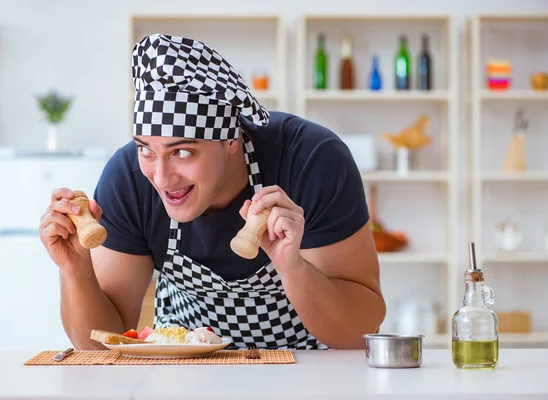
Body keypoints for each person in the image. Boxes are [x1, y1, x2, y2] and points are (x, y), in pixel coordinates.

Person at [39, 33, 385, 351]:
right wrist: (75, 271)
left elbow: (360, 331)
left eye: (183, 152)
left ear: (232, 140)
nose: (161, 177)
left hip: (308, 368)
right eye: (147, 149)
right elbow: (103, 344)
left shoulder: (312, 161)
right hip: (181, 369)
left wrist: (292, 267)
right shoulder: (129, 179)